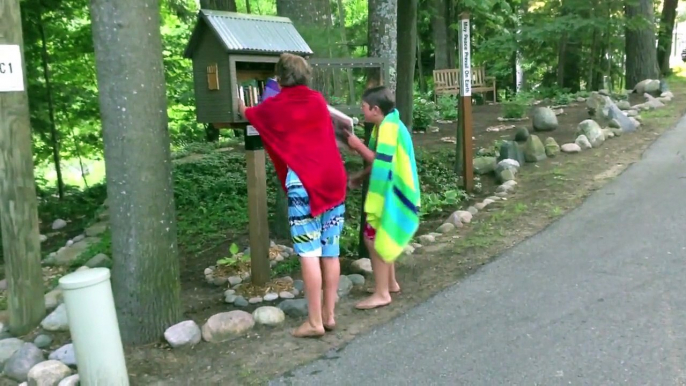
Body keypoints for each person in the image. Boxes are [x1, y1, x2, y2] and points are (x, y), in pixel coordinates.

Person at [238, 53, 347, 337]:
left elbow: (250, 114)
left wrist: (241, 104)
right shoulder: (317, 100)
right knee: (331, 250)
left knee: (309, 253)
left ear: (279, 77)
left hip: (305, 184)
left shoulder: (275, 105)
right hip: (334, 180)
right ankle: (329, 314)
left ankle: (314, 323)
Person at [346, 86, 421, 310]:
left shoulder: (389, 128)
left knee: (373, 239)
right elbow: (381, 160)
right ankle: (390, 283)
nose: (362, 111)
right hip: (396, 190)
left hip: (394, 192)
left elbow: (380, 161)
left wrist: (357, 145)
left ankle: (382, 294)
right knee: (382, 234)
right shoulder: (388, 124)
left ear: (375, 109)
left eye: (364, 108)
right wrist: (360, 177)